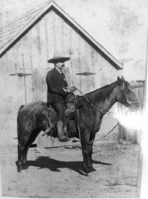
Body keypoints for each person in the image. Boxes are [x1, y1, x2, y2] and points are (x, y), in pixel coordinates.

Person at [46, 52, 76, 142]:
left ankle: (71, 131)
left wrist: (70, 89)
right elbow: (52, 88)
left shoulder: (62, 74)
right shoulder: (50, 74)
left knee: (73, 106)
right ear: (55, 63)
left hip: (62, 97)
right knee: (61, 111)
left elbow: (65, 86)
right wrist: (64, 90)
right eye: (60, 62)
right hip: (54, 98)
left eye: (63, 61)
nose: (63, 63)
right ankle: (60, 133)